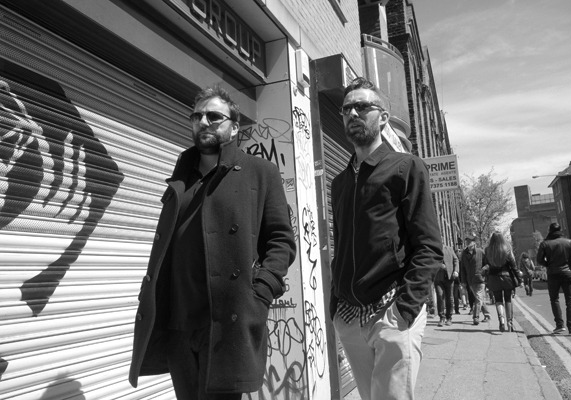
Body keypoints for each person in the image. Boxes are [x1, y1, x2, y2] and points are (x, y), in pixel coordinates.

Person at [128, 85, 296, 399]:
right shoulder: (181, 178)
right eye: (197, 116)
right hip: (178, 326)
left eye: (214, 116)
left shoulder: (260, 172)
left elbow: (281, 241)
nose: (204, 121)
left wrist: (259, 295)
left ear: (234, 126)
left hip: (225, 324)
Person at [330, 77, 443, 400]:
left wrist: (404, 309)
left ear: (382, 117)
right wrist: (335, 305)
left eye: (362, 106)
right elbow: (341, 247)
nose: (353, 113)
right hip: (349, 317)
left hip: (391, 311)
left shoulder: (406, 168)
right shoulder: (340, 183)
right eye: (347, 108)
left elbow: (428, 246)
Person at [536, 223, 571, 336]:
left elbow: (539, 260)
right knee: (570, 301)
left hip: (553, 274)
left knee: (554, 299)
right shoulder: (570, 242)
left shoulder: (545, 243)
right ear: (560, 230)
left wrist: (548, 264)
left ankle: (559, 326)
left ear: (549, 230)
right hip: (567, 273)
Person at [483, 232, 521, 332]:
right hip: (507, 277)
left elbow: (486, 265)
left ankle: (502, 321)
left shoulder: (487, 250)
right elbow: (514, 266)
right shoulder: (507, 248)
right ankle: (510, 323)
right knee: (508, 299)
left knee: (498, 300)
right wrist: (519, 280)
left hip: (493, 278)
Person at [460, 235, 492, 325]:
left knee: (478, 298)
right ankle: (487, 315)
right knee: (480, 298)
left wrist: (483, 269)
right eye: (467, 241)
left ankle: (475, 317)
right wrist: (463, 281)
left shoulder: (480, 252)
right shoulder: (464, 254)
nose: (468, 243)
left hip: (480, 279)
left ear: (474, 242)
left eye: (469, 241)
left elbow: (488, 264)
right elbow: (462, 268)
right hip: (470, 280)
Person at [435, 245, 459, 326]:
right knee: (440, 295)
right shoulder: (433, 248)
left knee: (449, 298)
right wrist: (438, 265)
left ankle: (449, 317)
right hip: (438, 278)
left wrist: (456, 271)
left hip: (449, 277)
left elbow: (456, 260)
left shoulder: (449, 249)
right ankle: (441, 317)